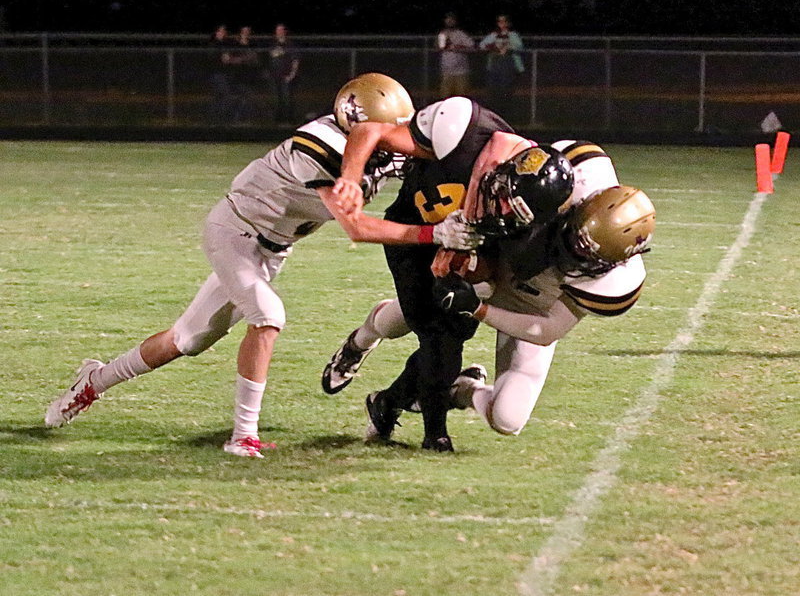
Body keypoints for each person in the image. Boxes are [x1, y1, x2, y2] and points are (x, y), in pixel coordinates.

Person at [44, 73, 483, 459]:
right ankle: (243, 435)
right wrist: (434, 235)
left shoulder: (386, 143)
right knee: (268, 317)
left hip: (272, 250)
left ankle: (93, 382)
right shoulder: (317, 145)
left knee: (187, 339)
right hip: (234, 232)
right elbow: (357, 228)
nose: (393, 139)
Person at [323, 141, 655, 446]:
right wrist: (466, 239)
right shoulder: (575, 173)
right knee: (415, 314)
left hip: (533, 306)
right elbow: (504, 163)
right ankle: (362, 339)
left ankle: (459, 390)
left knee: (508, 419)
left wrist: (479, 310)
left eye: (586, 255)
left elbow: (549, 329)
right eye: (575, 238)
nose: (572, 252)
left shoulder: (617, 284)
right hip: (498, 259)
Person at [330, 97, 575, 452]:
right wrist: (351, 179)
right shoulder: (463, 133)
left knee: (454, 328)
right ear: (506, 171)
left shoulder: (522, 219)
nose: (504, 210)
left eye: (515, 212)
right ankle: (434, 434)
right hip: (410, 236)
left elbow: (489, 266)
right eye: (507, 199)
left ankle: (388, 402)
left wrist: (463, 262)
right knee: (438, 338)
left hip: (453, 245)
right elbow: (370, 130)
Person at [479, 14, 525, 123]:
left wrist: (507, 48)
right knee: (494, 92)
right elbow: (482, 45)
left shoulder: (513, 35)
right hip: (495, 67)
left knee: (507, 92)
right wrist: (493, 46)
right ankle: (495, 116)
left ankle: (508, 117)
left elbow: (519, 46)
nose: (502, 24)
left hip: (509, 67)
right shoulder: (493, 35)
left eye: (504, 21)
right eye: (500, 22)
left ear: (508, 23)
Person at [266, 23, 300, 124]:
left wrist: (292, 75)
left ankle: (289, 120)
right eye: (278, 30)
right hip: (274, 76)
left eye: (281, 30)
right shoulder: (271, 45)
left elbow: (295, 61)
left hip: (286, 76)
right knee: (276, 99)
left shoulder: (290, 45)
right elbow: (267, 60)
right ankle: (277, 120)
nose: (279, 32)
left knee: (287, 99)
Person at [229, 26, 262, 123]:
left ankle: (245, 119)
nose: (246, 33)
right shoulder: (235, 44)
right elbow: (230, 59)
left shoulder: (252, 44)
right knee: (241, 97)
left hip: (250, 75)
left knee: (248, 98)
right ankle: (237, 119)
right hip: (238, 75)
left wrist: (250, 59)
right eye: (244, 31)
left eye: (248, 31)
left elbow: (256, 59)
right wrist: (243, 59)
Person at [436, 12, 474, 98]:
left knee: (461, 98)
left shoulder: (460, 34)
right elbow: (439, 48)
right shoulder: (442, 34)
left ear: (455, 21)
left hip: (461, 72)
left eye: (452, 19)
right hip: (446, 71)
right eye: (447, 19)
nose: (449, 21)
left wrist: (457, 47)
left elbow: (471, 46)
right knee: (445, 98)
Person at [208, 24, 236, 124]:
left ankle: (216, 119)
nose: (222, 33)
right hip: (217, 74)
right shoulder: (214, 44)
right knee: (224, 96)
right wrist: (222, 58)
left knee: (220, 96)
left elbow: (229, 58)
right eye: (220, 31)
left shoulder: (225, 43)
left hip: (224, 73)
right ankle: (220, 119)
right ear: (216, 32)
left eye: (224, 31)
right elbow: (213, 59)